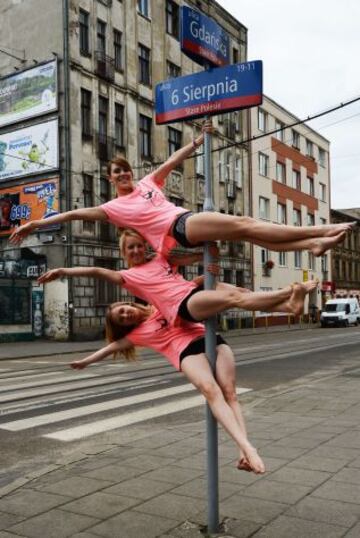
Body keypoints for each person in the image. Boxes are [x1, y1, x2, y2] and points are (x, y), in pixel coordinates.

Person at [9, 121, 354, 255]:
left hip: (186, 226)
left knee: (249, 235)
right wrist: (34, 224)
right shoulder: (113, 209)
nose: (124, 175)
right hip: (180, 225)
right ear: (110, 179)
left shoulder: (147, 182)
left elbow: (172, 161)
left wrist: (197, 143)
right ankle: (325, 228)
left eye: (126, 170)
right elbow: (72, 213)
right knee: (247, 223)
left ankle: (312, 244)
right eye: (117, 173)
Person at [70, 300, 265, 474]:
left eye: (123, 310)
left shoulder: (158, 304)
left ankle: (242, 452)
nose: (125, 315)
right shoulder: (138, 335)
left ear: (128, 304)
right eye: (121, 319)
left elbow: (187, 294)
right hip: (187, 352)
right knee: (211, 390)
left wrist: (208, 273)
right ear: (124, 326)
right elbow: (111, 347)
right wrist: (85, 362)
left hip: (213, 340)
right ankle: (248, 448)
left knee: (230, 394)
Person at [38, 229, 319, 325]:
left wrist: (209, 261)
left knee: (238, 291)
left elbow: (200, 257)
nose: (136, 250)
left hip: (192, 293)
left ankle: (288, 306)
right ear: (124, 253)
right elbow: (96, 270)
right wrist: (63, 270)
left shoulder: (162, 260)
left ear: (145, 246)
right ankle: (292, 292)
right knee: (233, 297)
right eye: (130, 248)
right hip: (182, 309)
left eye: (138, 245)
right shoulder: (128, 276)